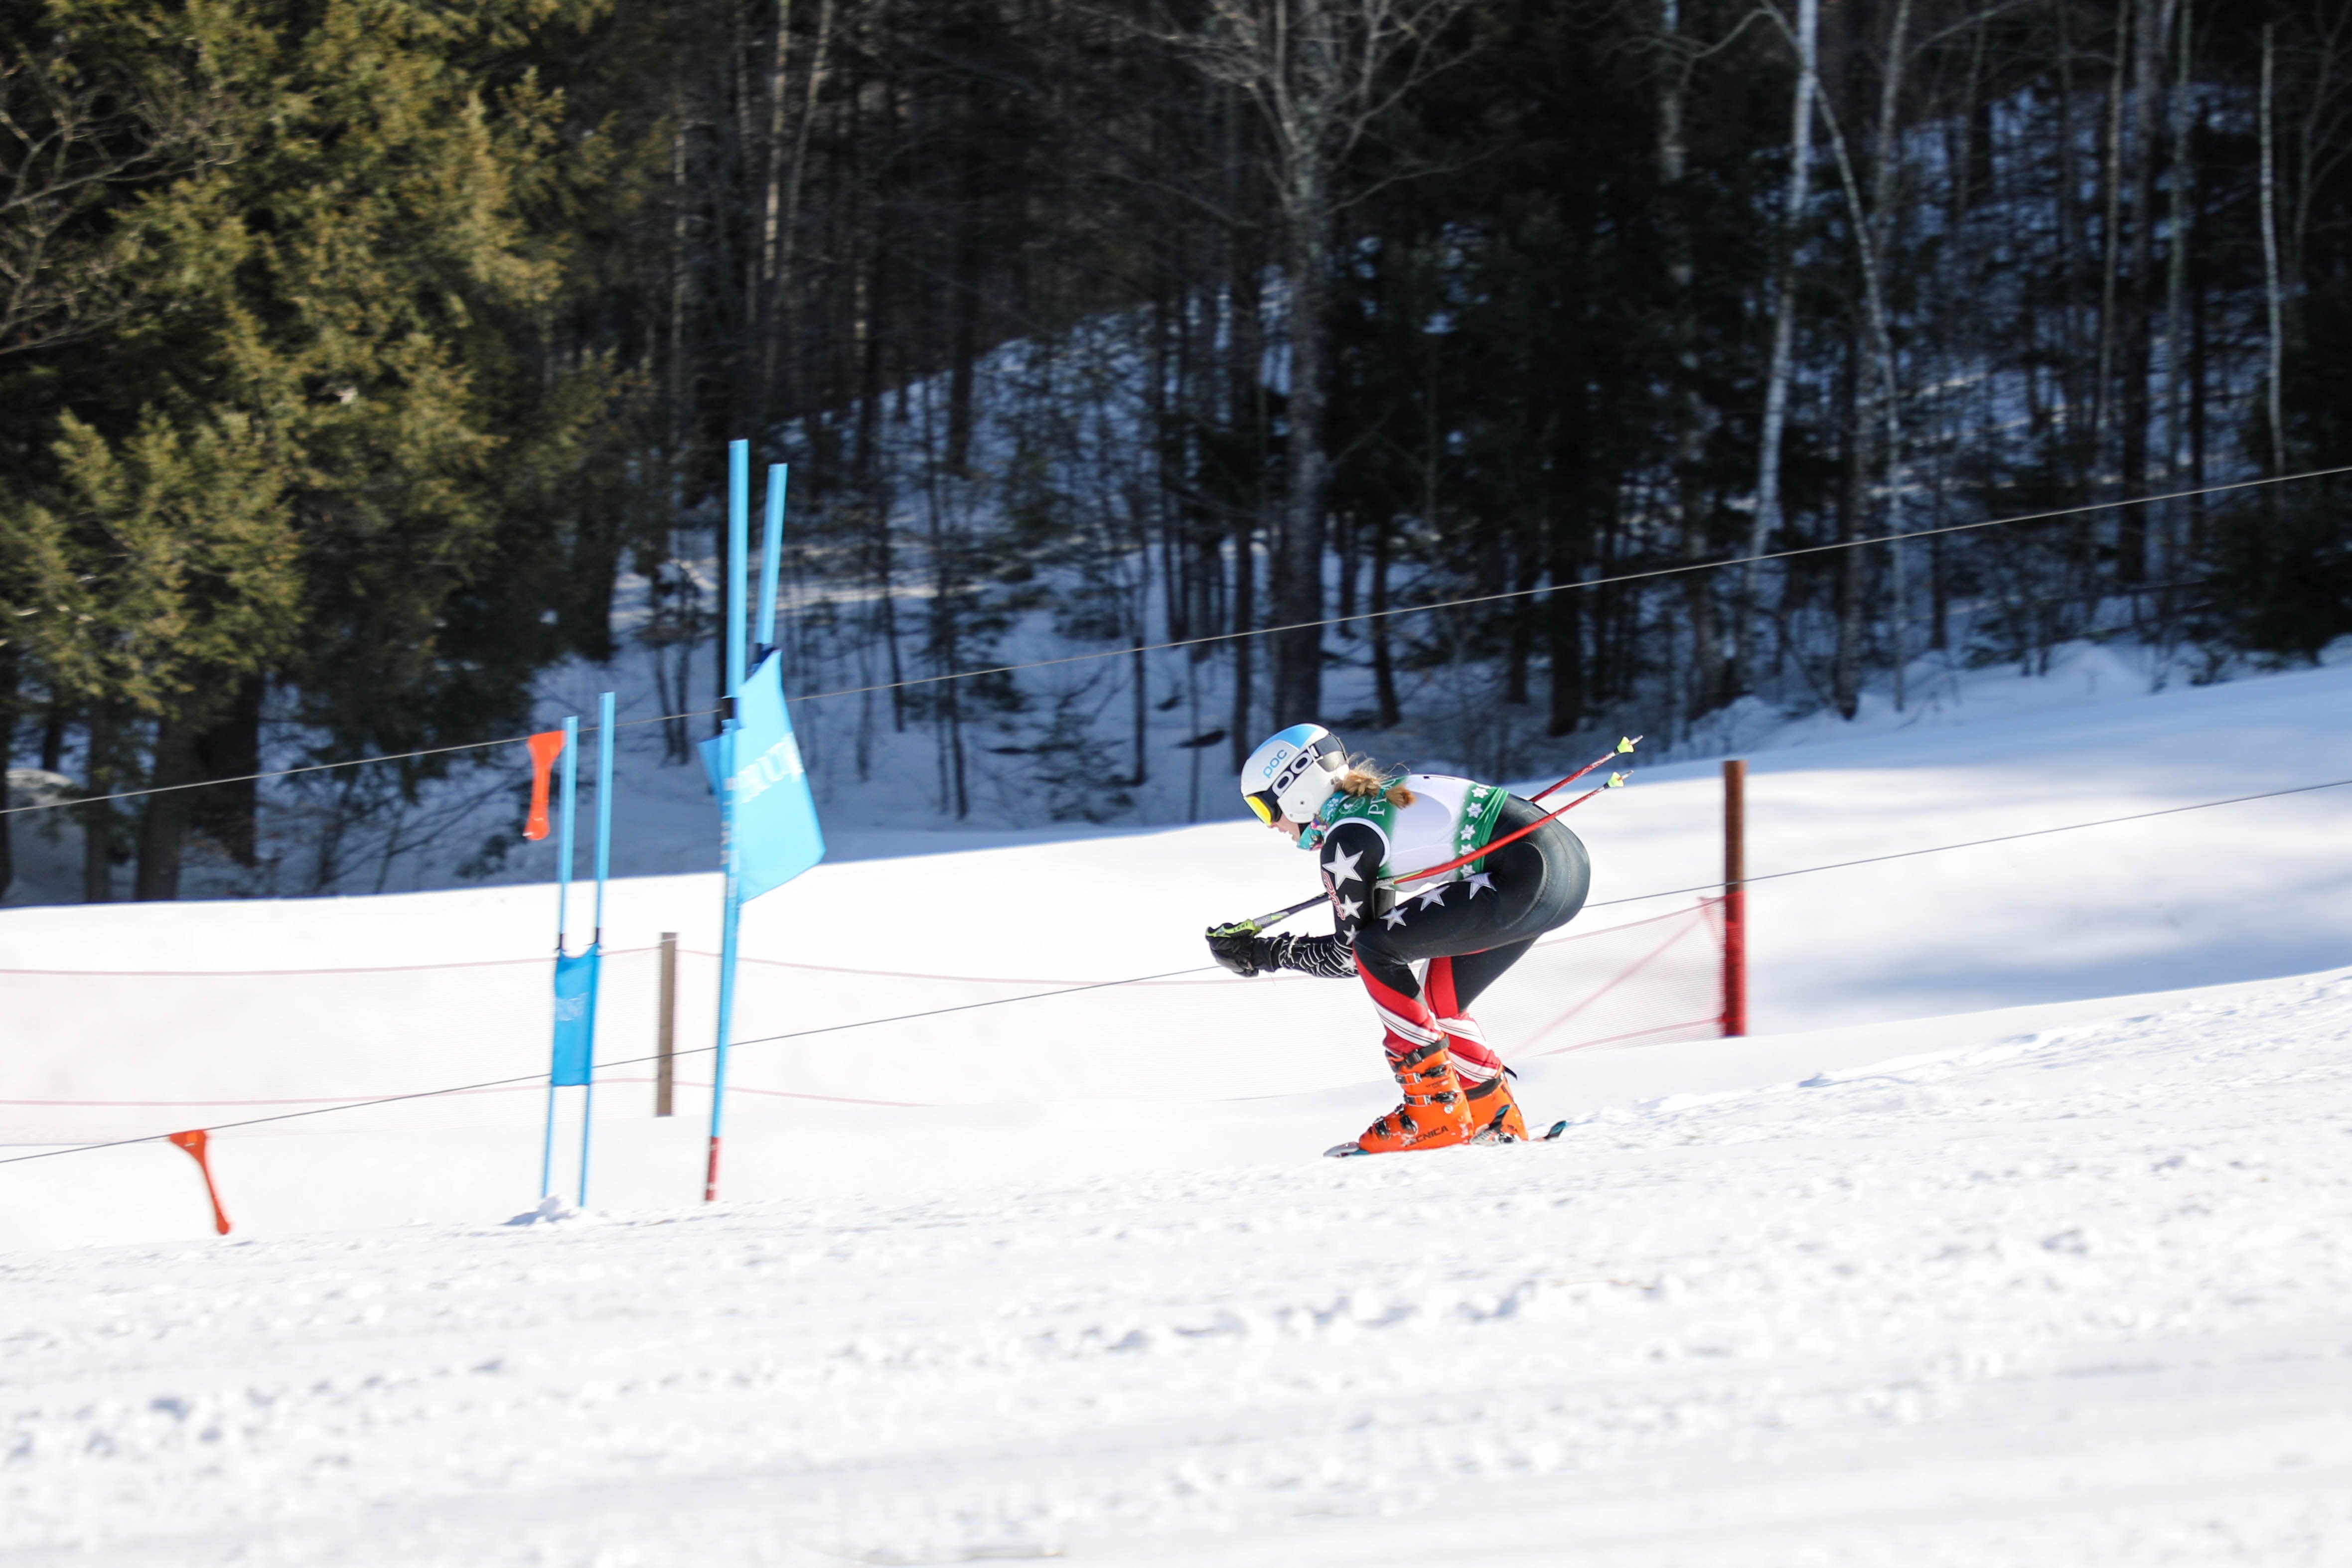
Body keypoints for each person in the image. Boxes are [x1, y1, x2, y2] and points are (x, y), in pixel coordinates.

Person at [1207, 723, 1591, 1156]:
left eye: (1265, 808)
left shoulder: (1347, 839)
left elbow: (1353, 954)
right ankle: (1491, 1113)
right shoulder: (1375, 803)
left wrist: (1263, 953)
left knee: (1374, 949)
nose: (1272, 825)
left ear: (1294, 791)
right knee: (1439, 999)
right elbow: (1383, 929)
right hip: (1560, 871)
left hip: (1524, 878)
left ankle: (1433, 1110)